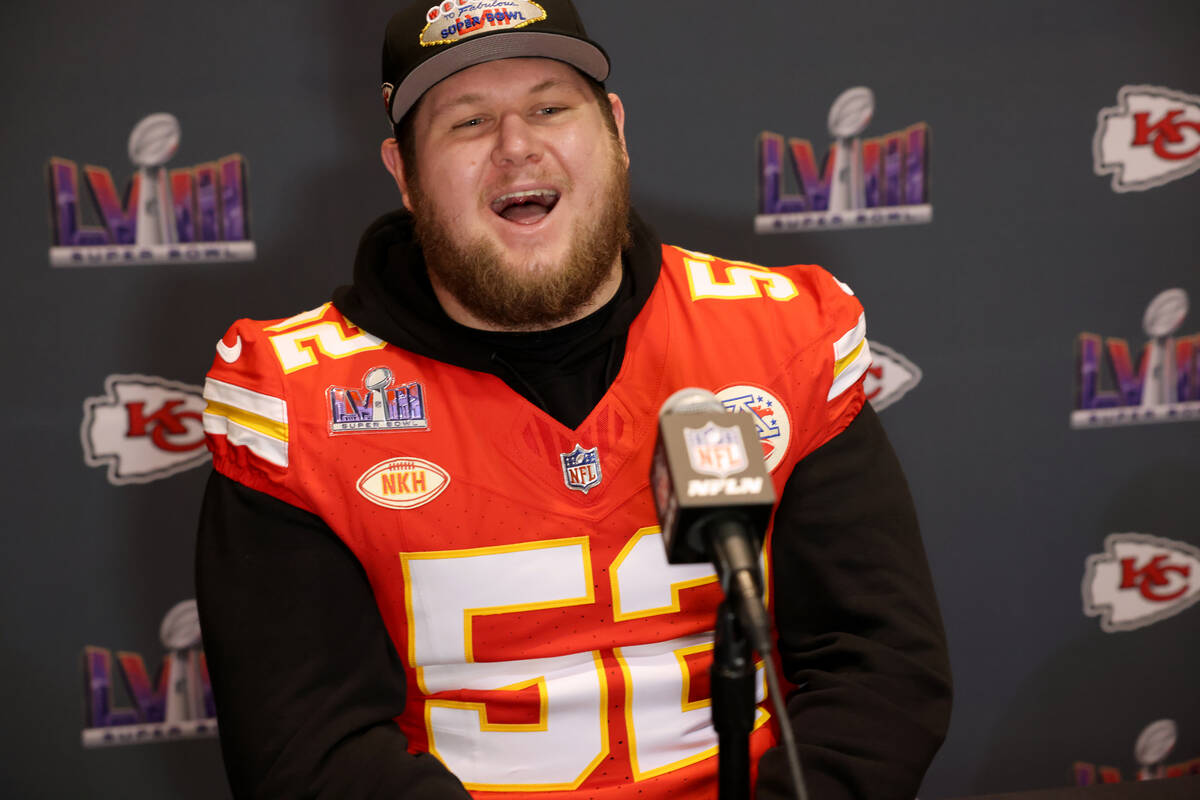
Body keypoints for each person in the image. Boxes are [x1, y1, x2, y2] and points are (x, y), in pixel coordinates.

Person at [195, 1, 953, 798]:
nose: (516, 146)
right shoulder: (296, 401)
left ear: (616, 132)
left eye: (550, 107)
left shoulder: (778, 336)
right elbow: (310, 752)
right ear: (404, 175)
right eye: (467, 122)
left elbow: (880, 667)